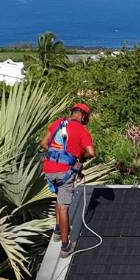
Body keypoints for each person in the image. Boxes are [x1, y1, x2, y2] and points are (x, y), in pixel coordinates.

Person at [41, 103, 96, 256]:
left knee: (59, 197)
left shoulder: (58, 123)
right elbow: (91, 152)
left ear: (72, 112)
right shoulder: (82, 131)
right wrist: (78, 158)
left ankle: (58, 231)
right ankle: (65, 247)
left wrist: (57, 155)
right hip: (64, 172)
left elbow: (43, 143)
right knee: (64, 206)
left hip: (48, 169)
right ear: (84, 116)